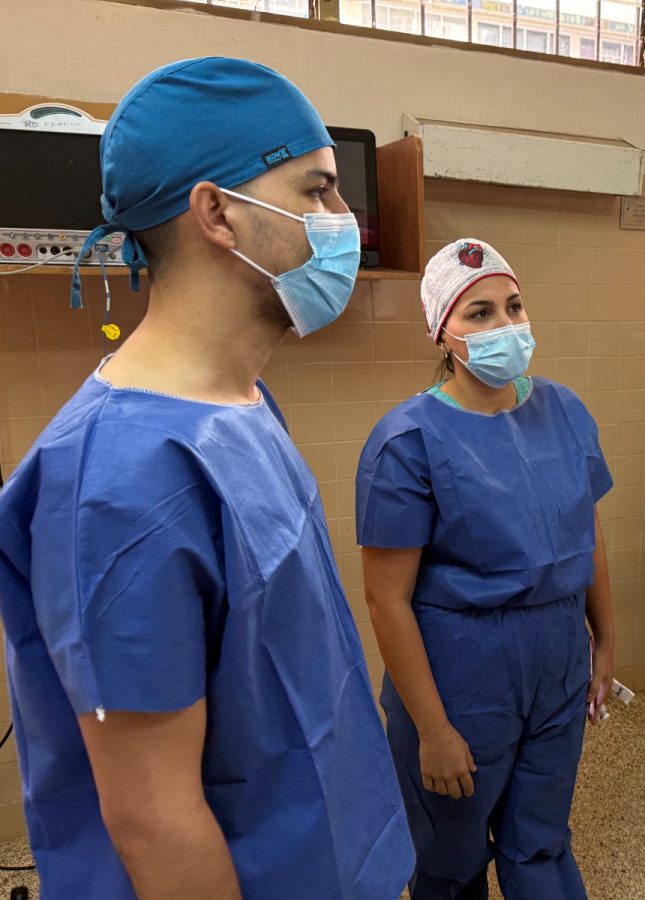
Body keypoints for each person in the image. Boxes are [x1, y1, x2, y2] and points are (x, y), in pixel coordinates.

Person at [0, 58, 413, 898]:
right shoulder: (115, 484)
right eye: (317, 191)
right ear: (217, 212)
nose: (344, 223)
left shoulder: (242, 403)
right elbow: (152, 817)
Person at [356, 238, 615, 899]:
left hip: (558, 657)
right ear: (443, 331)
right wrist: (434, 730)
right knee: (451, 858)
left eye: (514, 306)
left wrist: (604, 641)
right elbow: (387, 601)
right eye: (480, 313)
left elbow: (589, 534)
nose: (506, 326)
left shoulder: (564, 410)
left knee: (541, 840)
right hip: (459, 672)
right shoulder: (406, 440)